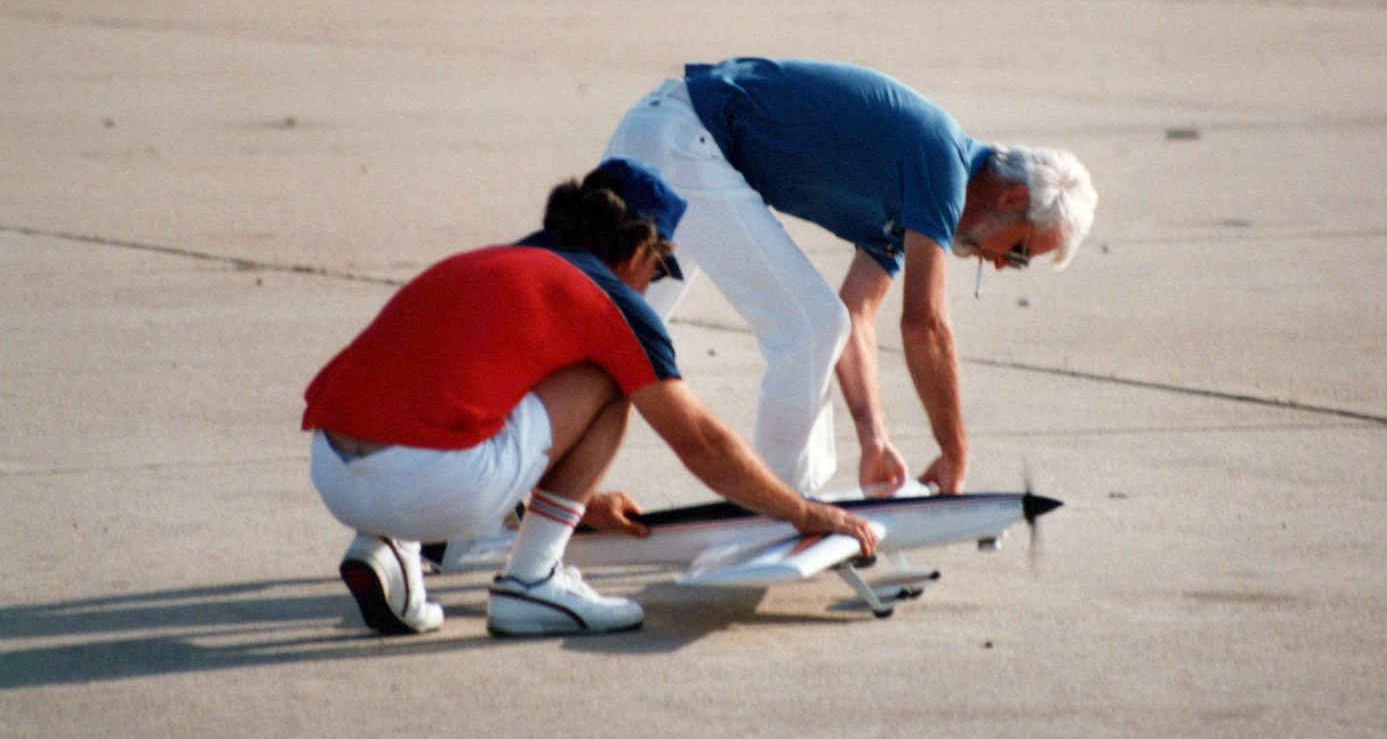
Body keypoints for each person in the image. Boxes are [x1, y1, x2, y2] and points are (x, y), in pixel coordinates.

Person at [302, 158, 877, 638]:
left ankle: (391, 546)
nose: (653, 285)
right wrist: (805, 512)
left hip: (334, 473)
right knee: (614, 374)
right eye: (659, 267)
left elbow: (450, 404)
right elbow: (700, 444)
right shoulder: (612, 301)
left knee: (437, 390)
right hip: (431, 486)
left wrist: (562, 498)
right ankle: (531, 580)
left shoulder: (487, 263)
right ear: (638, 251)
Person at [604, 58, 1097, 498]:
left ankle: (534, 492)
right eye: (1017, 253)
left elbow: (857, 317)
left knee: (615, 345)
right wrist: (955, 451)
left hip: (663, 133)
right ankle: (782, 506)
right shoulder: (941, 163)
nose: (999, 265)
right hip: (684, 140)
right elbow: (924, 325)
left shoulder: (924, 193)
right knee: (808, 326)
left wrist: (873, 437)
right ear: (1011, 200)